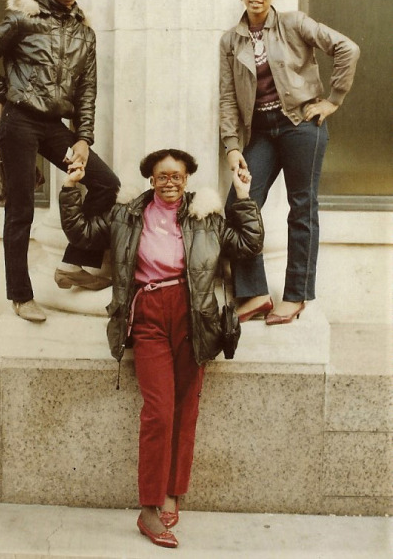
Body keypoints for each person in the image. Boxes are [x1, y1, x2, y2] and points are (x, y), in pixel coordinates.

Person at [59, 148, 263, 548]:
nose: (170, 183)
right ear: (151, 179)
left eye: (178, 176)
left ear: (187, 179)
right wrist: (71, 188)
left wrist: (242, 196)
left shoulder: (205, 219)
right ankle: (149, 506)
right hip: (148, 312)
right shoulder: (128, 214)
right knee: (158, 410)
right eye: (162, 176)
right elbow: (81, 232)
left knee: (186, 407)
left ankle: (173, 492)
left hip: (193, 316)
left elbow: (249, 244)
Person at [0, 0, 120, 323]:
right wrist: (6, 97)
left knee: (105, 183)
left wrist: (83, 137)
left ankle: (73, 264)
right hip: (20, 121)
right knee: (19, 210)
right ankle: (20, 297)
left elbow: (87, 89)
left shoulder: (85, 32)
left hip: (53, 126)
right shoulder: (24, 19)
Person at [219, 0, 360, 325]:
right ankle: (255, 293)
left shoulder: (295, 23)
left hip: (302, 126)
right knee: (239, 203)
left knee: (302, 209)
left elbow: (348, 49)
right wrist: (233, 146)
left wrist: (333, 100)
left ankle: (296, 295)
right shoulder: (230, 40)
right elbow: (227, 97)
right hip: (262, 132)